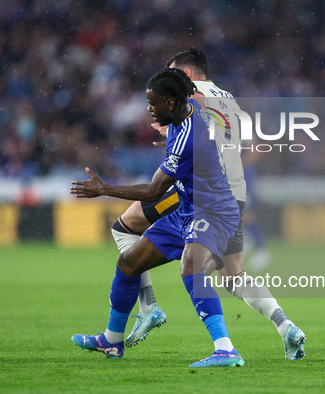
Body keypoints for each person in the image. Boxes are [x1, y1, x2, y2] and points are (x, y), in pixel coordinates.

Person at [111, 48, 305, 360]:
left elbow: (193, 134)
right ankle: (286, 326)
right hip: (232, 194)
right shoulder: (228, 98)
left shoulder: (192, 98)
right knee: (234, 276)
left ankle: (148, 307)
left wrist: (172, 134)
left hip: (201, 194)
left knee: (126, 225)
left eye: (172, 74)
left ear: (186, 76)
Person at [70, 68, 244, 367]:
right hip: (188, 210)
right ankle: (112, 341)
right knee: (129, 263)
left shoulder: (188, 135)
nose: (148, 108)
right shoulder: (184, 117)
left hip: (214, 213)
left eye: (153, 102)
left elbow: (152, 191)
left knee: (191, 266)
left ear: (171, 104)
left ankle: (226, 349)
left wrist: (104, 188)